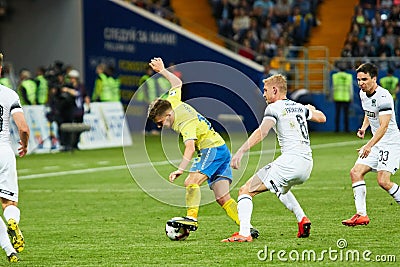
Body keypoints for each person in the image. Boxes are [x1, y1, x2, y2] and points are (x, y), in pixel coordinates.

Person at [147, 57, 259, 238]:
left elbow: (190, 148)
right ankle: (247, 228)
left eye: (161, 123)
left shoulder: (185, 123)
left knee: (190, 182)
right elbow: (177, 82)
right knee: (223, 198)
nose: (161, 126)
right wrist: (162, 71)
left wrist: (179, 169)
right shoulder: (172, 101)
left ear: (167, 115)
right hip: (221, 148)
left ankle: (191, 218)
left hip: (211, 150)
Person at [222, 74, 326, 242]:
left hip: (290, 162)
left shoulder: (274, 108)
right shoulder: (299, 107)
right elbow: (322, 118)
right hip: (306, 165)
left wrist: (241, 151)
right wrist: (311, 109)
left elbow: (262, 132)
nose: (264, 94)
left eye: (265, 90)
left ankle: (244, 233)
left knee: (245, 190)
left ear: (275, 90)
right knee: (281, 189)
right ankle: (302, 219)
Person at [342, 63, 400, 227]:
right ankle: (361, 215)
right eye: (359, 79)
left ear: (374, 78)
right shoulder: (362, 93)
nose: (361, 83)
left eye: (364, 79)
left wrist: (368, 145)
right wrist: (363, 127)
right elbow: (369, 113)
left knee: (383, 181)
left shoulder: (384, 97)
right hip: (377, 142)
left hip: (390, 143)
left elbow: (384, 126)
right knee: (355, 172)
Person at [0, 53, 30, 262]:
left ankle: (8, 249)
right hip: (3, 152)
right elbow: (24, 128)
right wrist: (24, 144)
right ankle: (12, 224)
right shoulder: (9, 95)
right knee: (9, 202)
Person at [332, 67, 353, 132]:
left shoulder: (335, 76)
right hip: (346, 97)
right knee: (346, 114)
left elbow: (333, 87)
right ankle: (346, 129)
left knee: (337, 114)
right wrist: (351, 97)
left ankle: (337, 129)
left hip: (337, 97)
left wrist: (332, 96)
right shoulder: (349, 76)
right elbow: (350, 87)